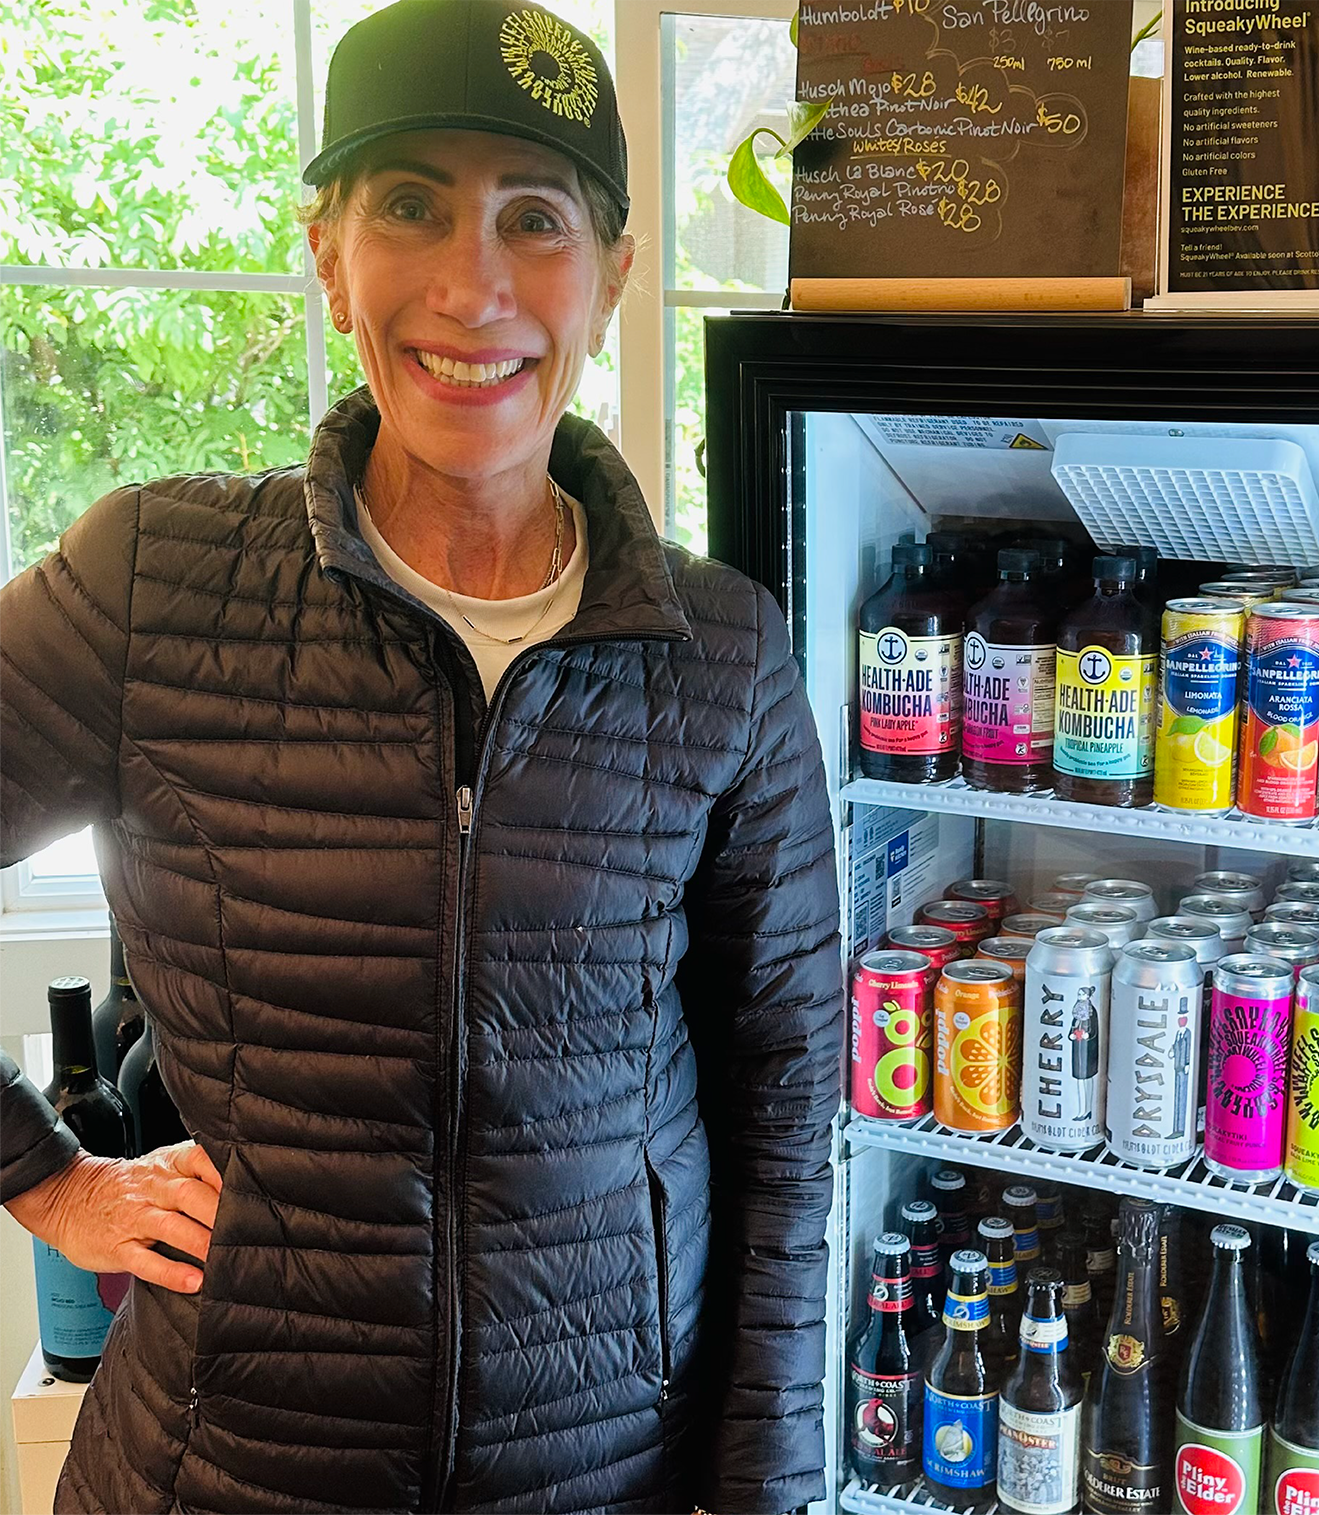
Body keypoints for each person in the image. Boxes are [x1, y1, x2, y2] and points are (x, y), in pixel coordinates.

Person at [0, 3, 843, 1513]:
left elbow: (784, 1101)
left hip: (604, 1466)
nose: (473, 282)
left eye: (535, 216)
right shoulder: (157, 581)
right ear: (329, 255)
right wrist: (47, 1176)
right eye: (409, 207)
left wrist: (761, 1479)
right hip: (224, 1462)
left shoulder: (720, 652)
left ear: (610, 279)